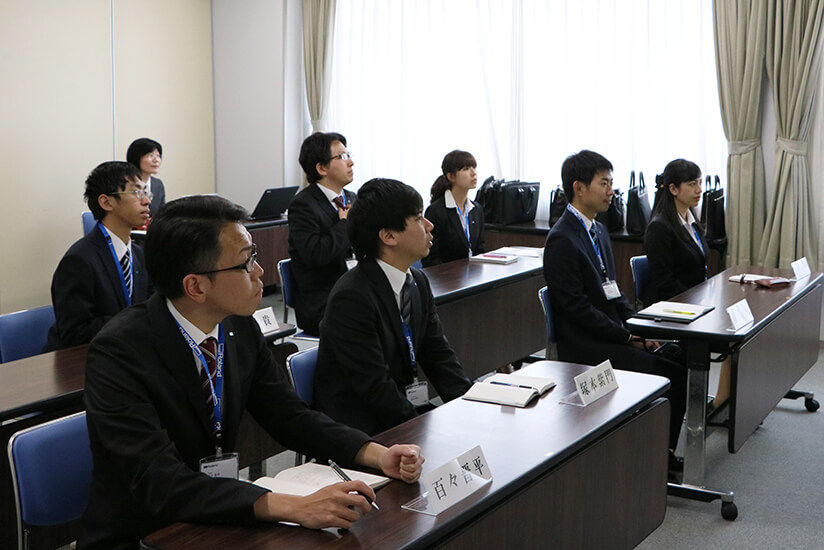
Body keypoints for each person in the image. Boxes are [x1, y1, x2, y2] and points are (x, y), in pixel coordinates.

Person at [79, 195, 425, 549]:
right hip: (144, 533)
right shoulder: (120, 352)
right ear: (196, 286)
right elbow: (158, 481)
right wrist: (295, 506)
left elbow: (289, 416)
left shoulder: (237, 327)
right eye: (246, 263)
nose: (260, 272)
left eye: (255, 256)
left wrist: (376, 454)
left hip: (220, 516)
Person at [542, 150, 686, 472]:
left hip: (608, 333)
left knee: (677, 355)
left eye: (611, 183)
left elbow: (614, 294)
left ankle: (660, 450)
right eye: (604, 183)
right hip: (584, 344)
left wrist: (641, 329)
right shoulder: (562, 239)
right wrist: (627, 337)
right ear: (579, 188)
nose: (611, 191)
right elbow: (576, 309)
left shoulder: (598, 230)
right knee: (670, 372)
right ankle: (655, 456)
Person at [314, 178, 473, 435]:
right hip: (363, 428)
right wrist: (424, 430)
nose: (429, 225)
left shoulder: (417, 281)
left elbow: (439, 356)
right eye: (418, 218)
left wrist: (470, 407)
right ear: (388, 236)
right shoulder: (352, 297)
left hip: (401, 411)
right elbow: (374, 388)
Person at [645, 159, 729, 410]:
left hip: (695, 305)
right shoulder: (660, 227)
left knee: (742, 331)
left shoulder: (691, 221)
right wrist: (701, 306)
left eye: (699, 182)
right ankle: (718, 405)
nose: (699, 189)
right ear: (673, 189)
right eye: (692, 184)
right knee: (732, 336)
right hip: (675, 311)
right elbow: (664, 285)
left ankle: (725, 402)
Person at [44, 161, 153, 351]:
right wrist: (135, 320)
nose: (146, 201)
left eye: (145, 192)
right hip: (86, 359)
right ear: (106, 202)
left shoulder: (140, 255)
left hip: (127, 353)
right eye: (136, 192)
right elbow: (75, 333)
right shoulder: (79, 260)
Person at [287, 131, 357, 335]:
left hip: (354, 289)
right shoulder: (303, 205)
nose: (351, 162)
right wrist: (344, 224)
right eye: (342, 157)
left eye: (348, 155)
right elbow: (317, 254)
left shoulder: (352, 198)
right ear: (321, 168)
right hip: (323, 302)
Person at [422, 150, 485, 266]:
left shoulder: (477, 209)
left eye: (474, 168)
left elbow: (480, 250)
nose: (473, 173)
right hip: (446, 275)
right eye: (466, 169)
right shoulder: (435, 211)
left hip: (473, 273)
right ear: (451, 176)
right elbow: (430, 258)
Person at [127, 137, 166, 216]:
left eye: (158, 155)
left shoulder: (158, 184)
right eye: (151, 155)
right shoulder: (126, 183)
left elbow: (162, 213)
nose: (156, 160)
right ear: (137, 157)